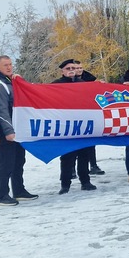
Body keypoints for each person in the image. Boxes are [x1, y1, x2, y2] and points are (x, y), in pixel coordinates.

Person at [0, 55, 39, 206]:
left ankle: (18, 190)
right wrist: (8, 131)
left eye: (10, 64)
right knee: (7, 162)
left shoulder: (10, 82)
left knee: (19, 161)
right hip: (7, 131)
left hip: (18, 129)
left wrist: (20, 81)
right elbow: (1, 110)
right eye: (5, 65)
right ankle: (2, 195)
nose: (9, 67)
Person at [52, 60, 97, 194]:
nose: (71, 70)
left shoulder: (83, 84)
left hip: (83, 124)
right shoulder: (56, 85)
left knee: (84, 155)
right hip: (66, 126)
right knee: (67, 156)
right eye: (68, 68)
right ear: (62, 71)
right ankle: (65, 184)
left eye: (73, 68)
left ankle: (85, 181)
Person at [74, 61, 105, 175]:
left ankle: (93, 165)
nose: (79, 70)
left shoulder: (90, 80)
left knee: (91, 142)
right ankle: (72, 169)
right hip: (73, 114)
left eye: (81, 67)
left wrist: (99, 85)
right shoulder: (68, 81)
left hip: (89, 114)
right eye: (76, 68)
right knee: (74, 144)